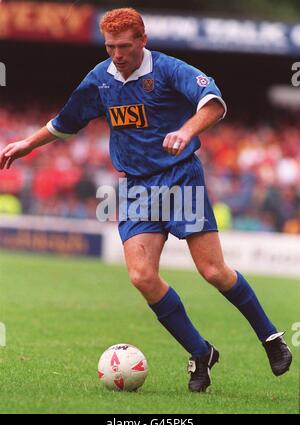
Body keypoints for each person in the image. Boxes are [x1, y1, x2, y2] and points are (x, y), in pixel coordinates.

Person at [0, 8, 292, 392]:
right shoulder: (100, 79)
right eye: (110, 47)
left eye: (124, 46)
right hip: (137, 187)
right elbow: (65, 122)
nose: (117, 55)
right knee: (141, 275)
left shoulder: (169, 70)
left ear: (142, 40)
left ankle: (271, 338)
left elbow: (214, 103)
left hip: (180, 180)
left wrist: (186, 131)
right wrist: (26, 144)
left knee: (214, 272)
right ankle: (200, 352)